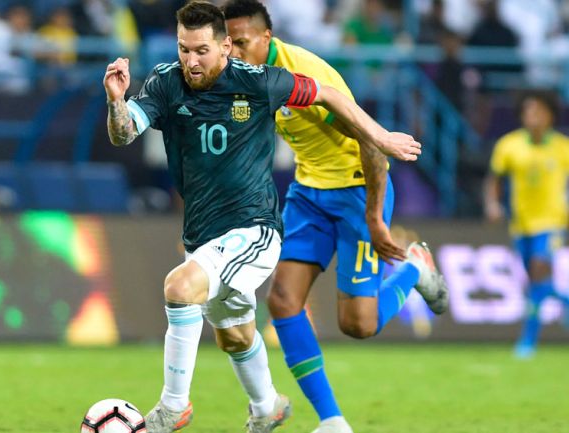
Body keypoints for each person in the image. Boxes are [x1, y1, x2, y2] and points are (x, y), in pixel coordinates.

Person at [102, 2, 422, 432]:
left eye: (201, 50)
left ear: (224, 46)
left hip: (254, 230)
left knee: (179, 288)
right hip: (204, 232)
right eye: (184, 49)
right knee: (233, 336)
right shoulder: (165, 83)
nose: (191, 61)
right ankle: (267, 405)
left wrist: (381, 137)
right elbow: (124, 134)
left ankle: (173, 407)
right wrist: (117, 101)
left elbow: (327, 93)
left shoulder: (257, 81)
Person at [222, 1, 449, 432]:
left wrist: (377, 218)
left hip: (357, 190)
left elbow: (372, 144)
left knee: (358, 325)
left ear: (266, 40)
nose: (232, 52)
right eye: (227, 43)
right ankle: (332, 421)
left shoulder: (305, 78)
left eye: (241, 43)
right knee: (283, 301)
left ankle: (413, 270)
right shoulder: (243, 74)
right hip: (309, 193)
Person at [484, 90, 569, 359]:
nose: (533, 116)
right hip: (521, 224)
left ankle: (527, 341)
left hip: (553, 221)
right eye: (529, 111)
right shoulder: (509, 145)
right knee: (536, 282)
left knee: (540, 269)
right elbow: (493, 180)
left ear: (550, 115)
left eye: (539, 111)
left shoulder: (563, 147)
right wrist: (493, 204)